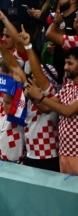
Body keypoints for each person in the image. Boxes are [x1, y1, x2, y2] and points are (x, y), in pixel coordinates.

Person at [25, 46, 78, 174]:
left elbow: (68, 111)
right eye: (65, 63)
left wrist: (40, 97)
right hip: (64, 152)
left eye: (70, 63)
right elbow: (45, 107)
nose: (65, 67)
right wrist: (33, 97)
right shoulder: (67, 87)